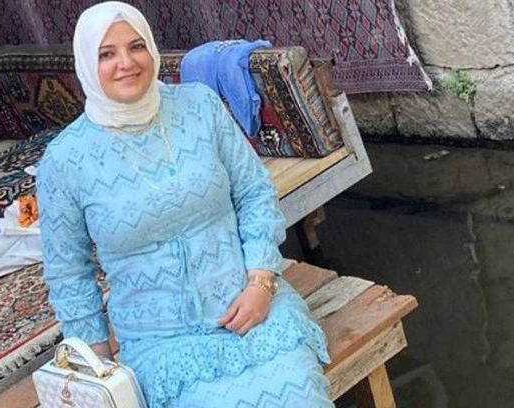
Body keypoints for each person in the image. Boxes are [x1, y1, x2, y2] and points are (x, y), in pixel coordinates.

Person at [36, 2, 334, 407]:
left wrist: (261, 283)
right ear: (87, 65)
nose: (126, 63)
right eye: (106, 54)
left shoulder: (199, 106)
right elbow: (68, 272)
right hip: (160, 344)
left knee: (298, 397)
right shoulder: (65, 160)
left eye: (136, 46)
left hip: (253, 314)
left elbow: (254, 193)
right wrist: (99, 372)